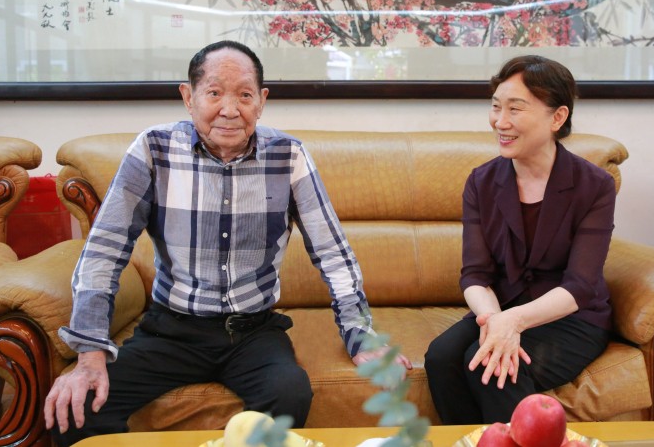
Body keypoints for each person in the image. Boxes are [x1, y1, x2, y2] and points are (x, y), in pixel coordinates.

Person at [44, 40, 411, 445]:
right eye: (215, 93)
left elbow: (333, 253)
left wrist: (361, 335)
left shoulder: (288, 155)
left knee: (289, 393)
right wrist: (90, 352)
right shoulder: (154, 149)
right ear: (189, 97)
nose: (230, 109)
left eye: (245, 95)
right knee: (77, 409)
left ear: (262, 101)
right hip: (172, 331)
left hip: (252, 332)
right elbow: (105, 250)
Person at [424, 55, 614, 424]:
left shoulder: (594, 186)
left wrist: (514, 323)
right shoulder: (481, 181)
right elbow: (475, 275)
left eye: (515, 109)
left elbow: (579, 286)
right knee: (441, 356)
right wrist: (497, 320)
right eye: (496, 107)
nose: (500, 121)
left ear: (557, 117)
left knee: (488, 364)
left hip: (570, 317)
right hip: (499, 307)